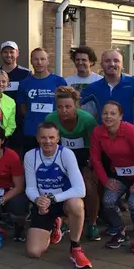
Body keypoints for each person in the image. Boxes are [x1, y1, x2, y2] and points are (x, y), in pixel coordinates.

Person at [23, 122, 91, 269]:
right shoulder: (30, 156)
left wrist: (53, 199)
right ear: (37, 138)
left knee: (77, 204)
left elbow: (80, 190)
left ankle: (75, 248)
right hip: (43, 205)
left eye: (51, 137)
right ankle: (55, 225)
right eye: (43, 137)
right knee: (34, 252)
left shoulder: (66, 154)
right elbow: (30, 188)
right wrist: (37, 199)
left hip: (63, 201)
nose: (47, 141)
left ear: (58, 138)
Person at [91, 101, 134, 253]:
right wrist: (105, 181)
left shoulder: (131, 131)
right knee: (108, 201)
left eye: (113, 113)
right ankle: (120, 232)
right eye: (105, 113)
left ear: (121, 116)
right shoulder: (98, 132)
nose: (108, 116)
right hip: (119, 173)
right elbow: (95, 159)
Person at [45, 86, 99, 240]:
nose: (64, 110)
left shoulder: (87, 119)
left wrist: (91, 165)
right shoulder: (51, 119)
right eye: (60, 107)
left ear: (75, 106)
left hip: (84, 155)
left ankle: (93, 222)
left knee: (88, 187)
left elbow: (94, 146)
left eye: (68, 107)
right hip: (62, 156)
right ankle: (64, 219)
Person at [18, 48, 68, 152]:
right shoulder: (24, 83)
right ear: (31, 61)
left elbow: (65, 105)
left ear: (48, 61)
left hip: (53, 133)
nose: (39, 62)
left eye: (42, 59)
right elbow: (23, 108)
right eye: (35, 59)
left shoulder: (59, 81)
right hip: (31, 132)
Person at [0, 41, 30, 154]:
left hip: (18, 120)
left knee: (17, 152)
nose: (9, 54)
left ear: (17, 53)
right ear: (1, 54)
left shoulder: (26, 73)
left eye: (11, 51)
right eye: (5, 52)